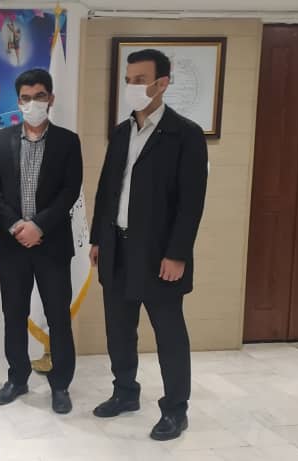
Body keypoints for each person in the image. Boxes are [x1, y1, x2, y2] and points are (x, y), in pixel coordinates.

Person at [90, 49, 208, 441]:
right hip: (117, 248)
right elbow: (107, 189)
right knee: (119, 330)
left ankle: (175, 410)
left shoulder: (184, 134)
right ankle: (125, 392)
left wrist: (177, 254)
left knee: (169, 333)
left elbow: (191, 203)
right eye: (129, 80)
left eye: (140, 80)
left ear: (162, 83)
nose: (132, 87)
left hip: (159, 255)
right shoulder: (121, 132)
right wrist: (98, 238)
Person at [0, 69, 83, 414]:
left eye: (39, 96)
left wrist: (38, 226)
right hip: (13, 245)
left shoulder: (68, 141)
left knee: (58, 317)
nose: (32, 104)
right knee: (14, 314)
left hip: (52, 245)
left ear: (51, 99)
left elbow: (70, 190)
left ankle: (60, 384)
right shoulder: (2, 139)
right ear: (18, 101)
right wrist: (16, 226)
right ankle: (17, 378)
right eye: (25, 98)